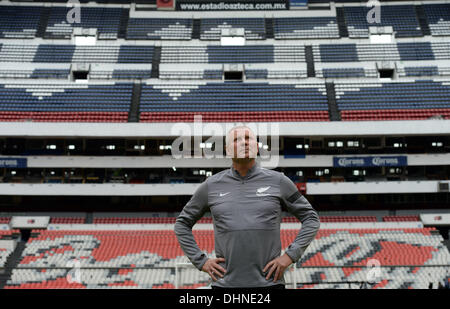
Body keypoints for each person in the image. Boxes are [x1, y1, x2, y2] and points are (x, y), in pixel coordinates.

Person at [174, 125, 320, 288]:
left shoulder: (279, 181)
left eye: (248, 138)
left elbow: (311, 218)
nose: (244, 143)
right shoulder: (211, 185)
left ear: (256, 147)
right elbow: (182, 224)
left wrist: (290, 256)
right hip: (224, 285)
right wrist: (201, 261)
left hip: (270, 284)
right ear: (228, 150)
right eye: (237, 140)